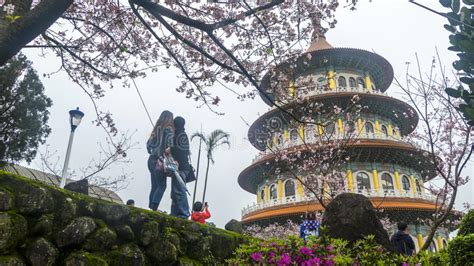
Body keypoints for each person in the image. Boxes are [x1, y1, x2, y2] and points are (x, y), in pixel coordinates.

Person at [146, 110, 175, 211]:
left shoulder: (155, 131)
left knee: (154, 185)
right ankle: (154, 207)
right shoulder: (169, 129)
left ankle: (151, 207)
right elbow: (169, 146)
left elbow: (148, 147)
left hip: (151, 160)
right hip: (160, 160)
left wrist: (154, 150)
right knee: (162, 185)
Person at [169, 116, 191, 219]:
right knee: (175, 192)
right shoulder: (181, 134)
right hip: (180, 167)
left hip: (181, 167)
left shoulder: (180, 135)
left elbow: (183, 151)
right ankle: (174, 213)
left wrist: (171, 150)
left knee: (179, 191)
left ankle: (183, 213)